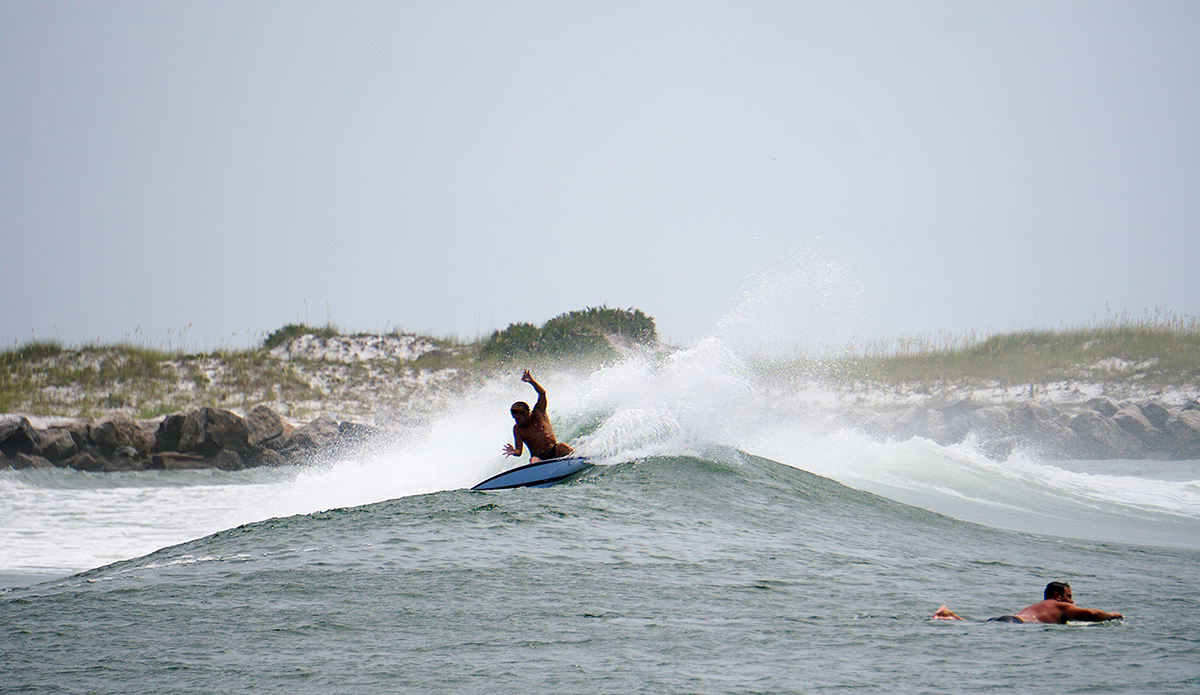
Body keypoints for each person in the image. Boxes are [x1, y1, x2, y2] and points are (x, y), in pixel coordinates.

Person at [931, 581, 1123, 624]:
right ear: (1057, 596)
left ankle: (949, 615)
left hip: (1008, 619)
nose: (1071, 601)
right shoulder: (1060, 606)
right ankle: (948, 616)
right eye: (1069, 596)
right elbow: (1092, 614)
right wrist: (1111, 616)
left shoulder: (1037, 607)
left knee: (978, 625)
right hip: (1015, 624)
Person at [502, 370, 574, 463]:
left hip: (554, 451)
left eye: (518, 418)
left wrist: (531, 381)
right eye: (514, 418)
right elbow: (519, 451)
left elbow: (542, 393)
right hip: (539, 457)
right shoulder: (517, 429)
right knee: (533, 460)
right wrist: (513, 452)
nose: (516, 421)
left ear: (526, 413)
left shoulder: (539, 412)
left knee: (562, 446)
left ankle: (580, 459)